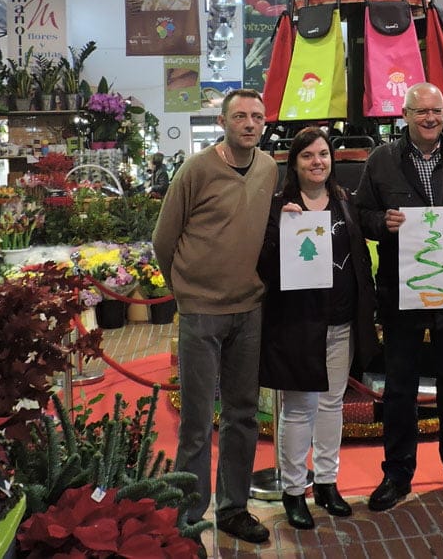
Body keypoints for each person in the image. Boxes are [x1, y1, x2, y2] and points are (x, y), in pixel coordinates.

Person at [354, 82, 443, 512]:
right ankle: (397, 475)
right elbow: (361, 214)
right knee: (400, 388)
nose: (430, 118)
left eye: (436, 111)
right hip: (401, 291)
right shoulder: (381, 160)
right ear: (405, 114)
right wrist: (382, 223)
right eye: (421, 111)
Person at [152, 89, 277, 544]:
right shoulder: (197, 169)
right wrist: (185, 289)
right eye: (240, 116)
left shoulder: (268, 167)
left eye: (257, 117)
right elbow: (164, 238)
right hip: (201, 311)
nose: (249, 123)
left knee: (242, 415)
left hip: (249, 308)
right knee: (197, 419)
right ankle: (188, 517)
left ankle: (233, 508)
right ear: (222, 122)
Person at [258, 127, 380, 530]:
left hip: (342, 321)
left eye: (323, 154)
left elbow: (358, 255)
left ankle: (327, 483)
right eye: (308, 155)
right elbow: (264, 265)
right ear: (294, 163)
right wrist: (280, 230)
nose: (317, 162)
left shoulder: (344, 201)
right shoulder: (279, 206)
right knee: (299, 408)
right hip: (298, 323)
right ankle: (295, 490)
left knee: (332, 404)